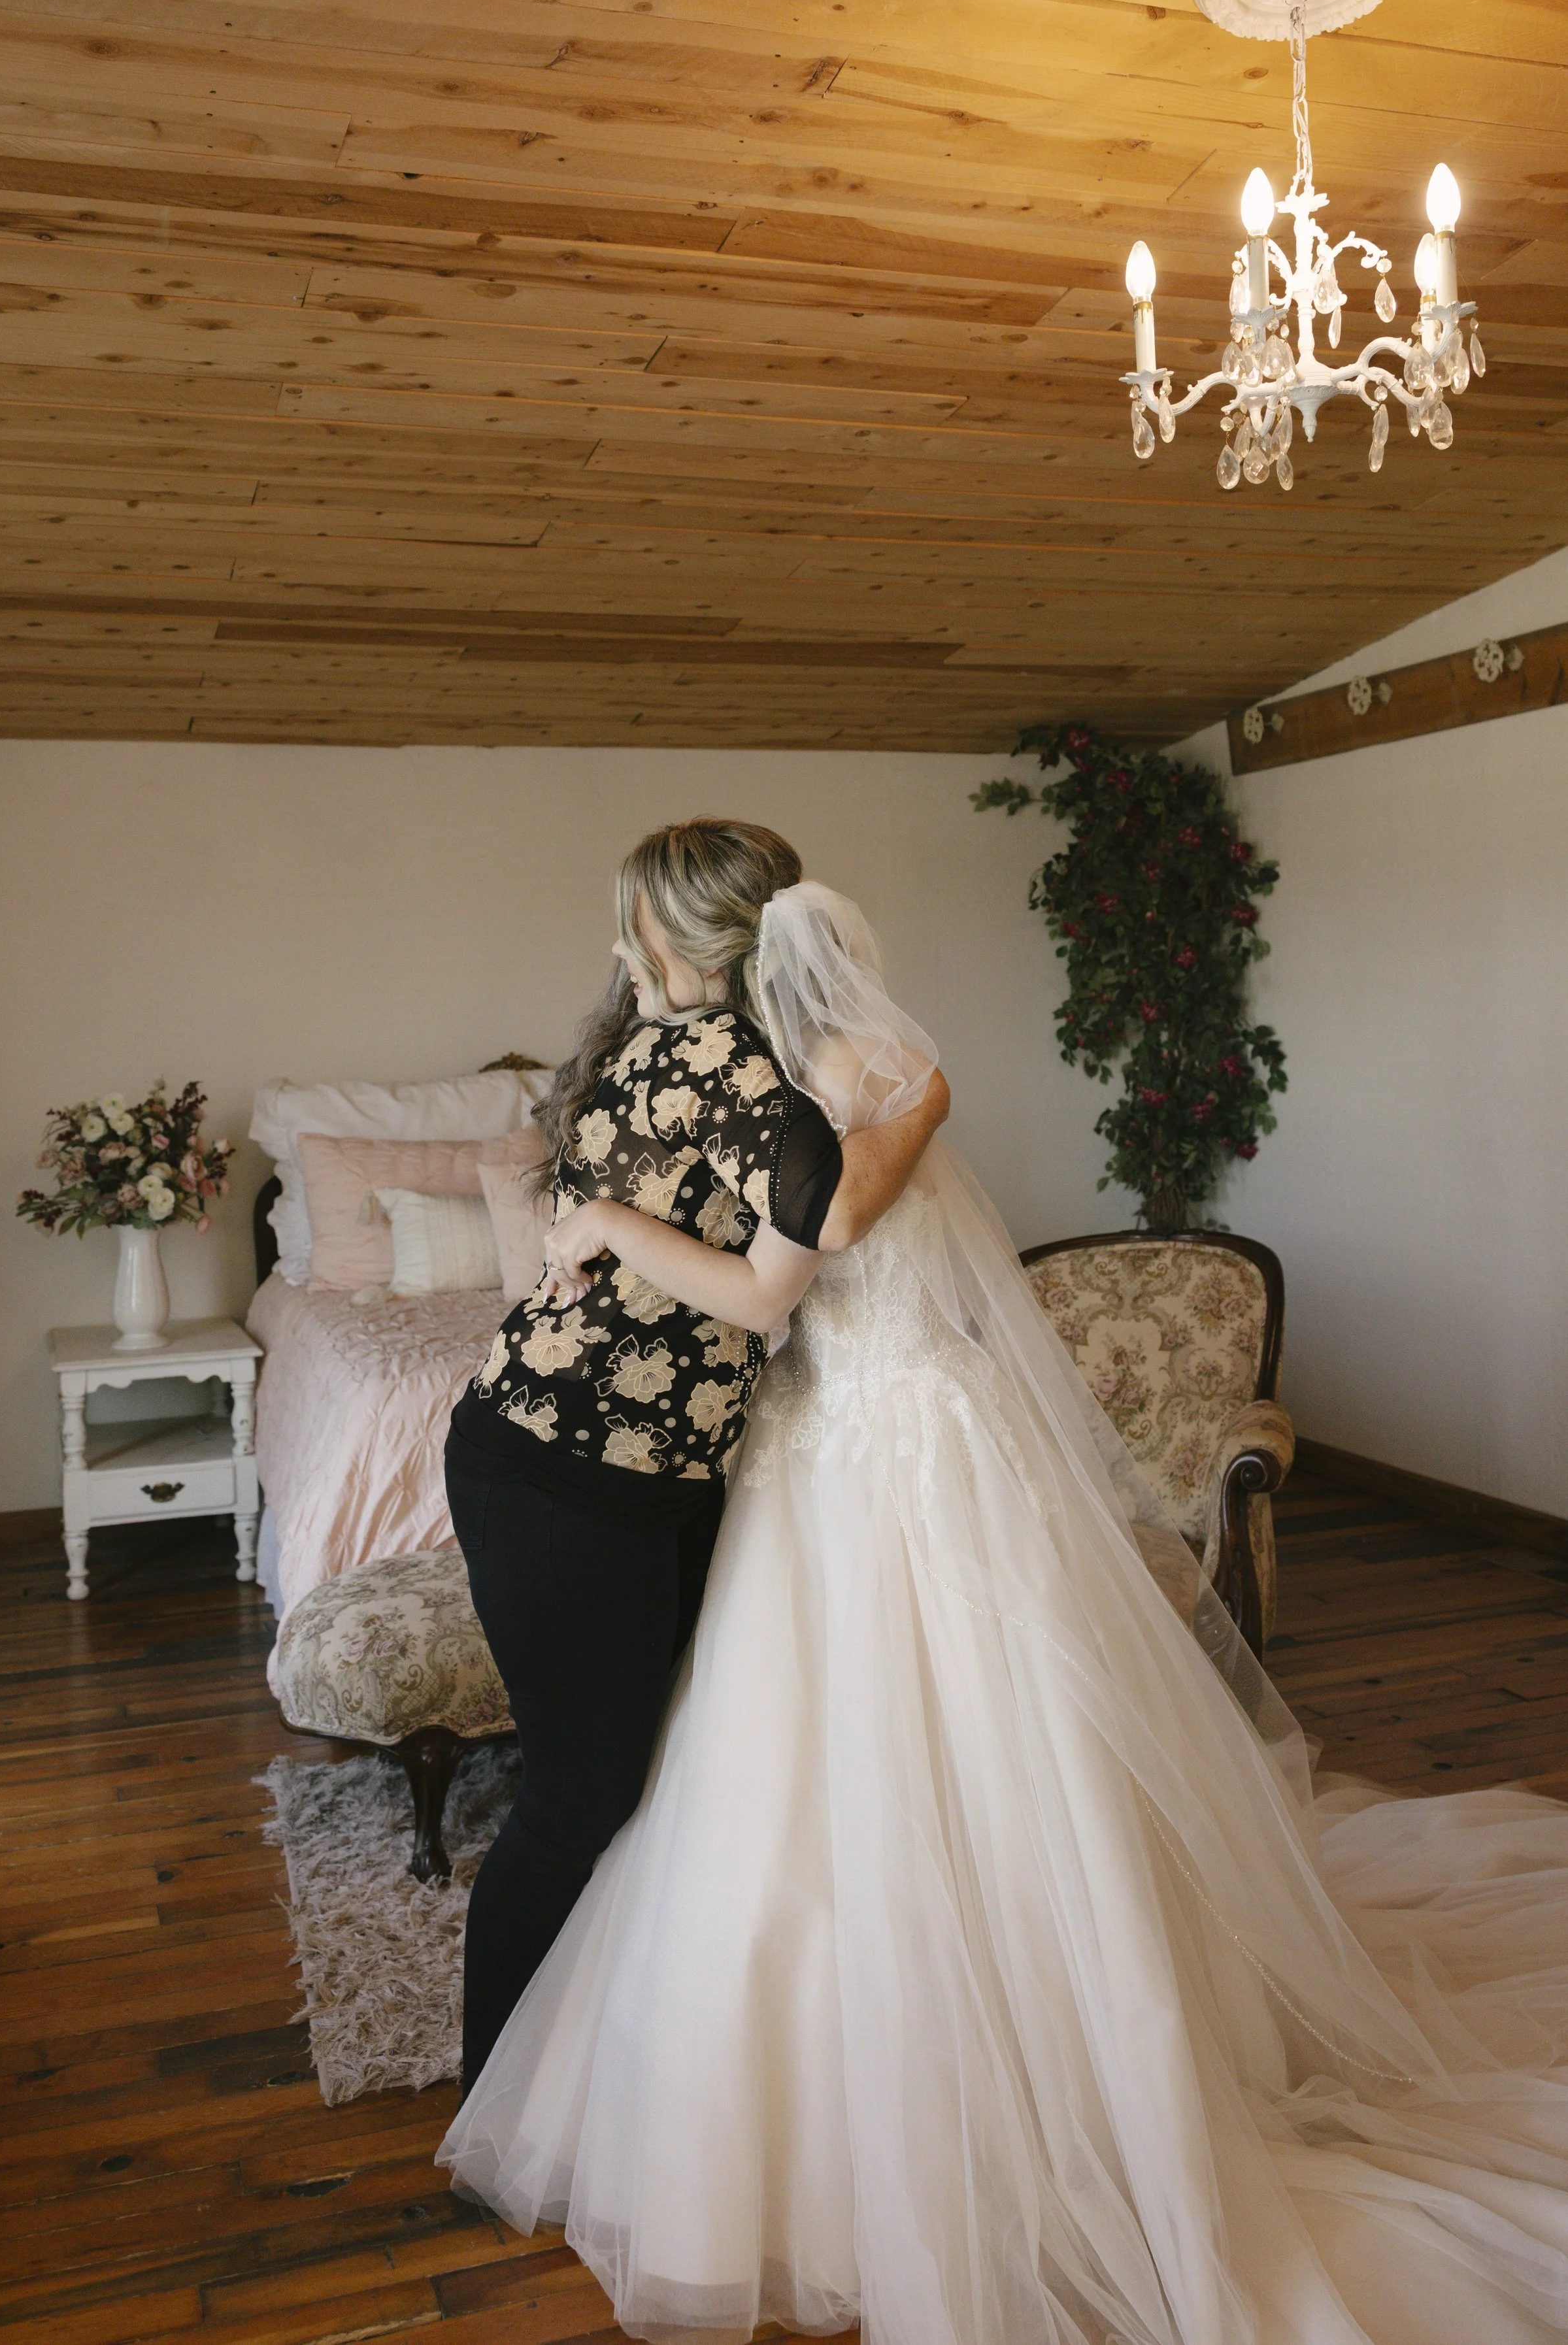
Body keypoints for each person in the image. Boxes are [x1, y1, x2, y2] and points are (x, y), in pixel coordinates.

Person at [442, 878, 1568, 2345]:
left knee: (960, 1731)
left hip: (895, 1439)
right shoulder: (753, 1085)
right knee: (770, 1760)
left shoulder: (867, 1081)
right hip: (801, 1448)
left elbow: (820, 1231)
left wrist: (639, 1201)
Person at [444, 824, 948, 2096]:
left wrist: (609, 1219)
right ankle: (494, 2100)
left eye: (633, 925)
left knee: (628, 1775)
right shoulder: (718, 1056)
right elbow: (789, 1266)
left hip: (626, 1461)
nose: (617, 948)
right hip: (564, 1458)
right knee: (577, 1796)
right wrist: (922, 1097)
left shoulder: (712, 1054)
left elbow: (785, 1233)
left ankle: (592, 2060)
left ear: (686, 941)